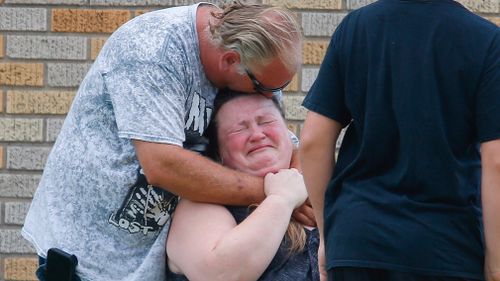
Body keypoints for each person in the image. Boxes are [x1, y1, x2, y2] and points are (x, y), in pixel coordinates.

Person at [21, 2, 313, 281]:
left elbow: (282, 138)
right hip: (89, 258)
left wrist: (300, 180)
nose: (269, 97)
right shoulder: (152, 49)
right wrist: (276, 195)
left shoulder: (251, 66)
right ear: (230, 60)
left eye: (279, 88)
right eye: (265, 87)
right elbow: (162, 165)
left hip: (153, 257)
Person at [299, 0, 500, 281]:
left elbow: (312, 141)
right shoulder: (486, 41)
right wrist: (496, 262)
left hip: (358, 239)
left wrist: (328, 233)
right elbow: (496, 160)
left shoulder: (356, 27)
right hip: (445, 246)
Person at [166, 90, 319, 281]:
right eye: (238, 129)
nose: (257, 134)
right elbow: (218, 275)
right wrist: (282, 199)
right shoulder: (199, 207)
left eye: (266, 122)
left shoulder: (319, 188)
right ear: (219, 152)